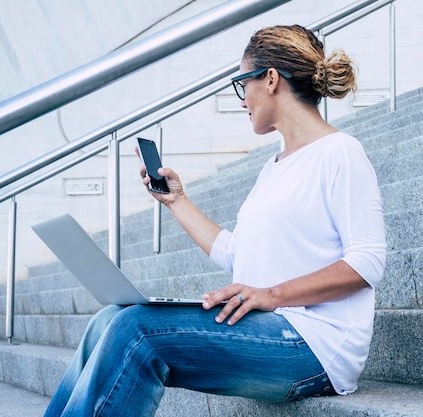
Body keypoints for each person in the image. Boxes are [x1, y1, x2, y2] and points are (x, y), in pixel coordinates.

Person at [44, 24, 386, 417]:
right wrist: (177, 201)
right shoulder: (274, 167)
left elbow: (366, 262)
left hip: (314, 346)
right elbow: (236, 252)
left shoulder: (340, 153)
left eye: (244, 83)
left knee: (136, 330)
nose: (242, 100)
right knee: (109, 319)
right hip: (271, 329)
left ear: (271, 79)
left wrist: (271, 295)